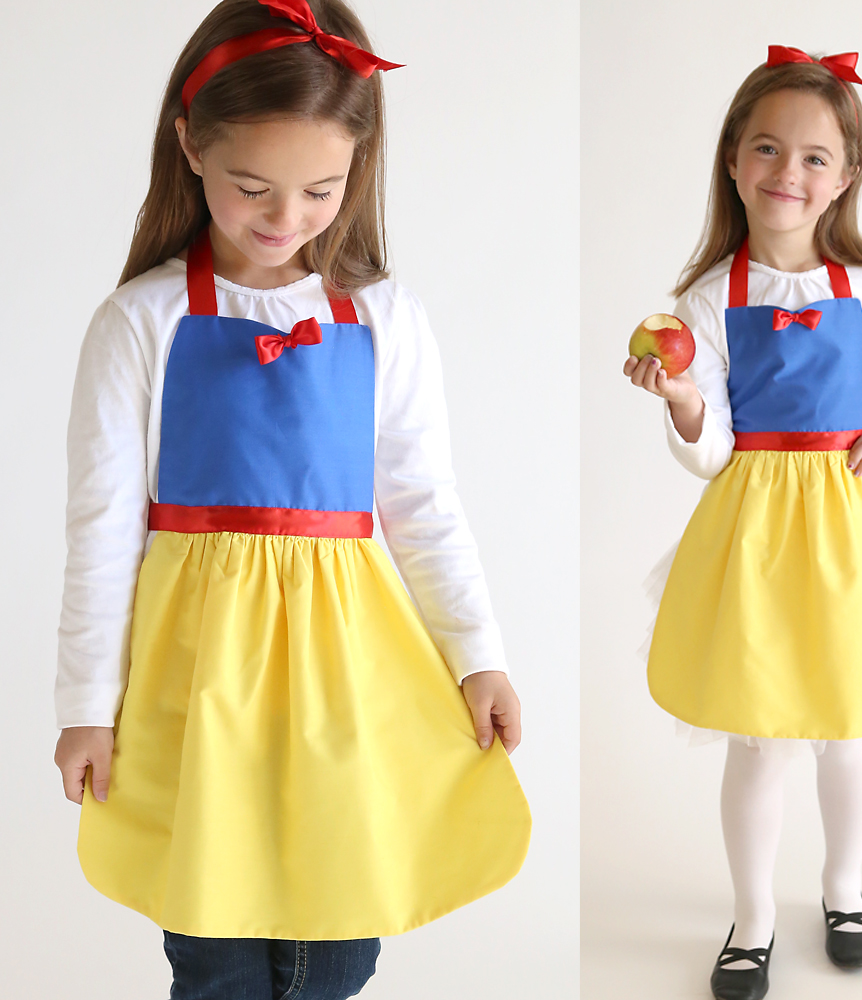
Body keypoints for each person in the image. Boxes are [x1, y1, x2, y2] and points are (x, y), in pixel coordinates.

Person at [52, 1, 531, 996]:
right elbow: (101, 525)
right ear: (189, 145)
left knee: (336, 940)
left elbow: (422, 498)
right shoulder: (141, 320)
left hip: (346, 669)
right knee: (217, 939)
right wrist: (86, 705)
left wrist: (476, 652)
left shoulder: (385, 318)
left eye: (320, 189)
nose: (284, 218)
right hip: (202, 670)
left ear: (360, 163)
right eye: (252, 187)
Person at [624, 46, 862, 1000]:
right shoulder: (707, 301)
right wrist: (686, 400)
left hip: (853, 530)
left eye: (815, 157)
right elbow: (711, 452)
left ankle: (844, 890)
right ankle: (753, 918)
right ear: (734, 161)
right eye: (767, 149)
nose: (789, 172)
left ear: (847, 177)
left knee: (846, 727)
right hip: (758, 534)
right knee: (761, 733)